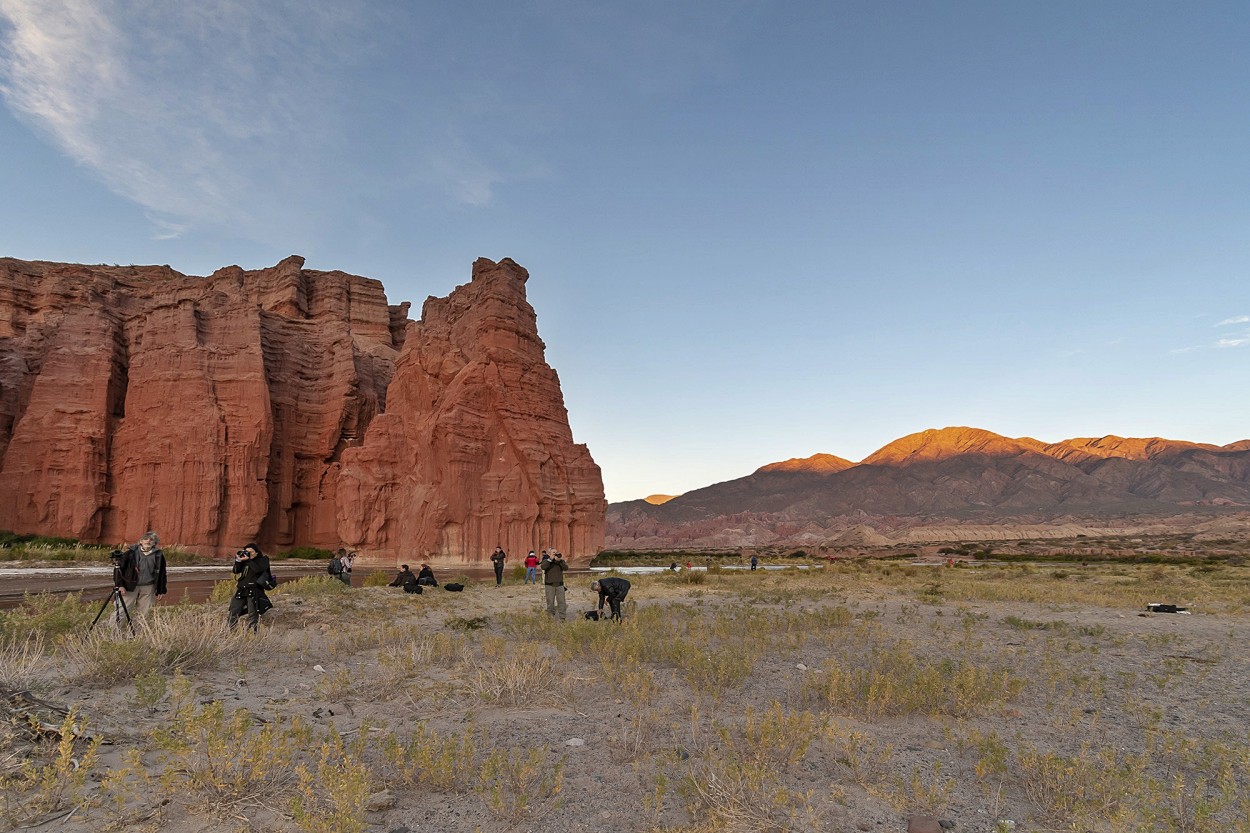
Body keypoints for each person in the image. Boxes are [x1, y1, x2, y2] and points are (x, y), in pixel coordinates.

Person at [114, 530, 168, 623]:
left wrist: (161, 589)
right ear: (140, 542)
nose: (148, 541)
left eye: (151, 540)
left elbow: (162, 573)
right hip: (129, 587)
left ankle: (136, 636)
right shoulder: (130, 553)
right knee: (121, 611)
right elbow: (118, 570)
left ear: (155, 543)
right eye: (145, 539)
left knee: (143, 614)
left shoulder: (158, 555)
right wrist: (120, 585)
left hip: (148, 587)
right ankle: (113, 634)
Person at [228, 543, 275, 632]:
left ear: (257, 552)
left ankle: (252, 634)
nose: (249, 554)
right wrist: (238, 561)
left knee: (252, 614)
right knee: (234, 611)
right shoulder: (245, 561)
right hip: (242, 588)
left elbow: (258, 569)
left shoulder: (263, 560)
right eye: (247, 552)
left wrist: (248, 560)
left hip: (255, 589)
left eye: (251, 552)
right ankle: (231, 632)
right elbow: (235, 571)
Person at [541, 550, 568, 622]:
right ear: (550, 554)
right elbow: (543, 567)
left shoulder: (561, 561)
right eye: (553, 553)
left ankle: (562, 618)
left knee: (562, 602)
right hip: (550, 585)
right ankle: (550, 618)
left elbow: (566, 568)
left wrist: (559, 561)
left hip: (560, 585)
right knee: (550, 602)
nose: (555, 554)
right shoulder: (546, 561)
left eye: (556, 552)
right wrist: (550, 559)